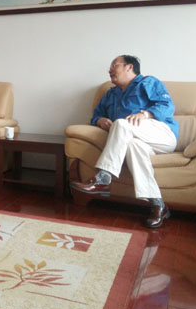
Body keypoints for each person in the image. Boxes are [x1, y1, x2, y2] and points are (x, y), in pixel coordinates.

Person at [70, 55, 179, 228]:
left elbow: (167, 106)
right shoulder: (111, 93)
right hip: (136, 140)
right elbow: (96, 115)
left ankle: (103, 177)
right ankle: (158, 204)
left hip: (161, 135)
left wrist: (144, 114)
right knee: (133, 147)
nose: (110, 70)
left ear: (129, 67)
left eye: (114, 65)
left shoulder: (148, 82)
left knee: (121, 123)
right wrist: (100, 120)